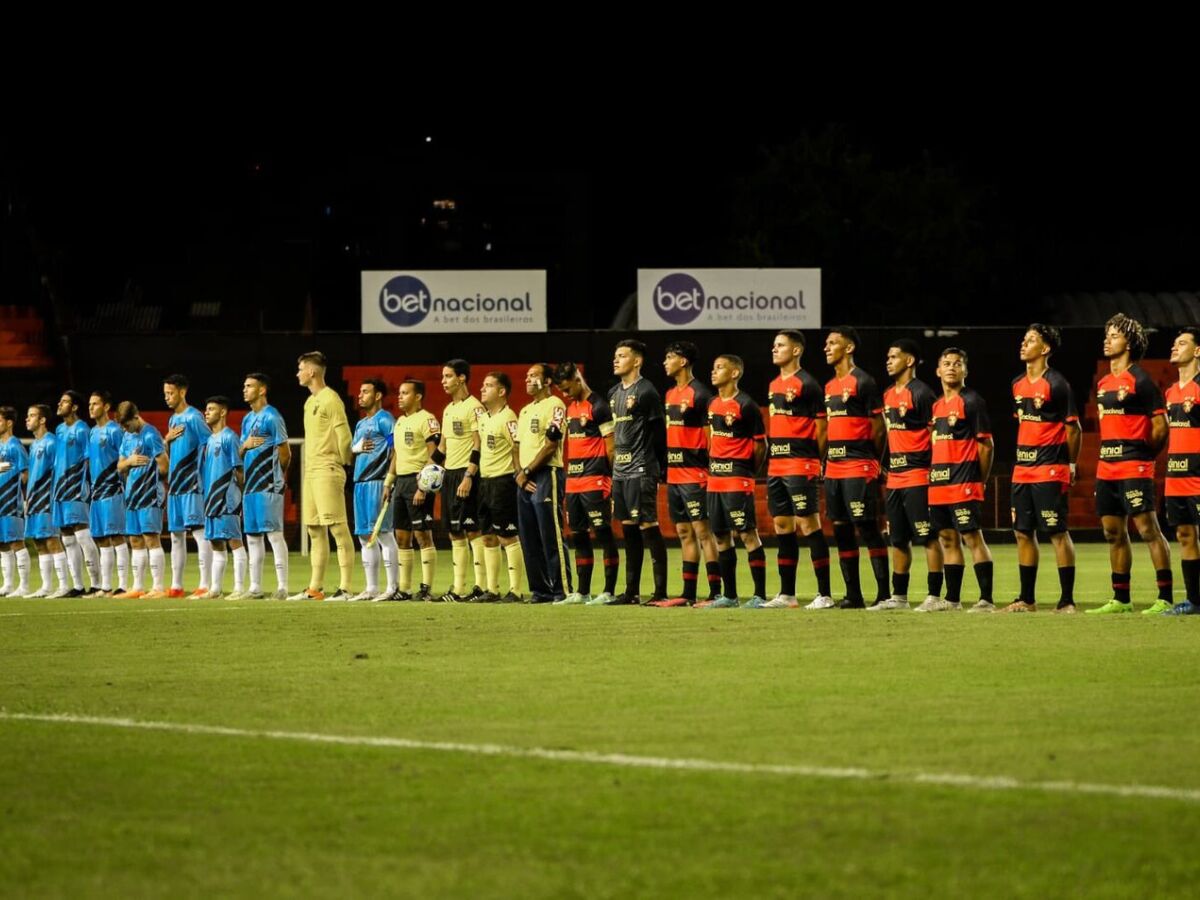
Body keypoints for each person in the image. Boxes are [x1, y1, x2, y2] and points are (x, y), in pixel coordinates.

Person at [1090, 313, 1172, 615]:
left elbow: (1161, 426)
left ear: (1129, 342)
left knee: (1148, 529)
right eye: (1107, 334)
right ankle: (1120, 598)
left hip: (1134, 465)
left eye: (1114, 335)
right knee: (1113, 532)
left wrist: (1145, 454)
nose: (1107, 339)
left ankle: (1164, 596)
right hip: (1106, 466)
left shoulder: (1141, 380)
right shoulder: (1103, 383)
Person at [1003, 324, 1081, 613]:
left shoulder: (1057, 384)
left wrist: (1070, 464)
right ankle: (1027, 599)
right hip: (1022, 469)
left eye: (1031, 340)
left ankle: (1067, 601)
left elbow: (1074, 428)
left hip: (1050, 468)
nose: (1024, 344)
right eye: (1024, 339)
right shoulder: (1016, 384)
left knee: (1057, 532)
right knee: (1023, 533)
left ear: (1045, 349)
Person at [918, 348, 995, 613]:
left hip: (964, 483)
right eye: (946, 363)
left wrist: (979, 479)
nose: (952, 367)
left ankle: (986, 600)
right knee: (948, 540)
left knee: (973, 538)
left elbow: (986, 445)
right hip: (939, 485)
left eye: (958, 364)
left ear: (965, 371)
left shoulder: (972, 401)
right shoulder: (937, 406)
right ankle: (952, 600)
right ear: (938, 371)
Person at [819, 326, 888, 609]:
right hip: (834, 469)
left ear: (848, 348)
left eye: (833, 343)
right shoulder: (829, 386)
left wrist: (873, 461)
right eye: (826, 343)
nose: (826, 347)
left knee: (867, 528)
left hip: (859, 466)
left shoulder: (864, 381)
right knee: (841, 529)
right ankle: (853, 596)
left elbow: (879, 429)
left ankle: (884, 595)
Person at [764, 330, 831, 609]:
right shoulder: (773, 384)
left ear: (796, 351)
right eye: (774, 345)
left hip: (800, 463)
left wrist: (817, 461)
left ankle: (824, 594)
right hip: (776, 465)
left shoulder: (808, 384)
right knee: (782, 525)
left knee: (808, 524)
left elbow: (822, 428)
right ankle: (787, 594)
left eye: (780, 345)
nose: (774, 349)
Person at [874, 339, 942, 611]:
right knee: (898, 539)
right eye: (887, 356)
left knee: (928, 537)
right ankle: (899, 597)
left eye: (894, 356)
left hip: (918, 475)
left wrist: (934, 470)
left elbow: (935, 435)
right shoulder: (889, 393)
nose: (888, 361)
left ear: (910, 361)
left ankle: (935, 596)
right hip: (895, 477)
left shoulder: (923, 394)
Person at [701, 354, 767, 608]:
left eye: (720, 367)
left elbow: (761, 445)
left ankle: (759, 595)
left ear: (735, 373)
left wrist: (746, 471)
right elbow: (711, 439)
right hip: (714, 480)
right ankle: (729, 596)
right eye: (713, 367)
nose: (714, 372)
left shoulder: (746, 405)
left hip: (737, 479)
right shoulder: (712, 403)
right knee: (720, 537)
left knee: (747, 534)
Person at [290, 351, 354, 601]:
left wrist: (344, 463)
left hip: (328, 469)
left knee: (338, 528)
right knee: (314, 529)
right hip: (311, 471)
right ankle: (315, 588)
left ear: (312, 372)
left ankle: (346, 588)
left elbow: (345, 436)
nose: (298, 373)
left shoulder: (331, 399)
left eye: (300, 368)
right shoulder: (309, 402)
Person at [658, 342, 718, 607]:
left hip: (696, 474)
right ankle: (688, 593)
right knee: (683, 532)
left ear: (683, 362)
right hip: (674, 475)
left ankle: (716, 593)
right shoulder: (670, 394)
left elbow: (711, 437)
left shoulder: (701, 394)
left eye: (669, 357)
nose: (665, 362)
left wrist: (710, 467)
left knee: (704, 533)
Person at [608, 339, 667, 605]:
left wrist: (659, 468)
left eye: (621, 356)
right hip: (620, 470)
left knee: (647, 525)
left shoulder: (647, 392)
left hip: (642, 468)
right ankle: (631, 592)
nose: (616, 360)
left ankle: (660, 592)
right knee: (628, 528)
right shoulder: (613, 394)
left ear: (637, 361)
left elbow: (658, 433)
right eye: (615, 356)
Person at [554, 361, 619, 606]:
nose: (564, 392)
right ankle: (582, 592)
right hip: (574, 483)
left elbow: (611, 447)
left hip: (596, 481)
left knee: (603, 534)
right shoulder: (571, 409)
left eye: (566, 387)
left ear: (577, 378)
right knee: (578, 536)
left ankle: (609, 591)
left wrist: (610, 481)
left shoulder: (599, 407)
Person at [515, 363, 572, 603]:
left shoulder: (556, 405)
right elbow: (516, 446)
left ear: (548, 381)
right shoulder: (525, 410)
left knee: (551, 534)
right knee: (529, 537)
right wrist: (520, 474)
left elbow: (551, 444)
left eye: (534, 376)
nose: (528, 379)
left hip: (546, 474)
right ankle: (540, 590)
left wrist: (527, 470)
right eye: (527, 376)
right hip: (524, 479)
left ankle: (561, 590)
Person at [383, 379, 440, 602]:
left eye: (405, 393)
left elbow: (434, 454)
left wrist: (423, 486)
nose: (400, 396)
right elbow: (396, 454)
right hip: (401, 483)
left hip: (418, 481)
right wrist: (389, 482)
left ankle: (426, 589)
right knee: (402, 536)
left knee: (422, 535)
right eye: (399, 392)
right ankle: (404, 589)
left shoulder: (427, 420)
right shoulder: (398, 423)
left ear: (418, 397)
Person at [436, 360, 486, 601]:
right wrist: (427, 470)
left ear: (462, 378)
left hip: (466, 474)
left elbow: (478, 444)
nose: (443, 381)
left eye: (448, 376)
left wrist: (469, 476)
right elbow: (443, 447)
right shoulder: (448, 409)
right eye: (443, 377)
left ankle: (480, 587)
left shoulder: (474, 407)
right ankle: (458, 589)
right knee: (454, 533)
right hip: (449, 474)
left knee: (472, 530)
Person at [240, 373, 292, 600]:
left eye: (249, 386)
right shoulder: (246, 419)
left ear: (262, 390)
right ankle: (255, 587)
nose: (245, 389)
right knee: (252, 537)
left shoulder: (273, 417)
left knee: (274, 535)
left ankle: (282, 586)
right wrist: (244, 446)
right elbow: (242, 450)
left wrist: (277, 477)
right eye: (244, 386)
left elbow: (285, 452)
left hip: (268, 485)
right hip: (250, 486)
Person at [476, 371, 525, 602]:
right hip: (485, 482)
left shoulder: (509, 418)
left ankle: (516, 590)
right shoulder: (484, 418)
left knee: (507, 536)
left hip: (503, 481)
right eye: (483, 385)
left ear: (502, 391)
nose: (483, 389)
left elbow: (518, 446)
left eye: (489, 386)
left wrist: (518, 474)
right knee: (488, 536)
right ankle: (492, 589)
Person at [163, 374, 213, 597]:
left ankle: (205, 583)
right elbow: (170, 453)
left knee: (199, 533)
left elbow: (210, 443)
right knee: (176, 535)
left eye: (170, 393)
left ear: (182, 392)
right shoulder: (173, 420)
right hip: (175, 487)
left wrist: (203, 476)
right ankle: (176, 585)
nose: (167, 397)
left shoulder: (194, 417)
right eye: (165, 393)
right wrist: (166, 440)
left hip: (192, 484)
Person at [349, 378, 397, 601]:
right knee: (364, 536)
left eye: (365, 392)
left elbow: (396, 448)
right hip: (360, 483)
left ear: (378, 396)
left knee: (384, 533)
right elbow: (352, 451)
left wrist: (390, 478)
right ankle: (371, 587)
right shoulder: (360, 424)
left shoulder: (385, 420)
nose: (360, 395)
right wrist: (355, 448)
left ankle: (392, 587)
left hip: (378, 482)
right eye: (360, 391)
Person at [116, 401, 169, 598]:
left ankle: (158, 587)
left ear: (136, 417)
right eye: (122, 426)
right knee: (135, 540)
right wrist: (130, 462)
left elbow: (164, 466)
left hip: (149, 494)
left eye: (127, 424)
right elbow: (120, 465)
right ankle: (137, 587)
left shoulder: (151, 434)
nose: (124, 428)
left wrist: (149, 474)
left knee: (150, 539)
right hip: (132, 495)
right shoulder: (127, 436)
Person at [1164, 326, 1200, 616]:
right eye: (1174, 343)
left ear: (1197, 351)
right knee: (1184, 535)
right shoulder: (1171, 392)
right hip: (1176, 476)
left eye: (1183, 343)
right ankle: (1194, 601)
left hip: (1198, 476)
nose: (1175, 347)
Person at [84, 391, 129, 597]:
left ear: (106, 407)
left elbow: (125, 460)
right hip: (96, 493)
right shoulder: (92, 432)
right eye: (90, 404)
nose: (91, 407)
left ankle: (123, 585)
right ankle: (106, 586)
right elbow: (88, 461)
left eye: (95, 404)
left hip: (112, 490)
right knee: (101, 539)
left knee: (117, 536)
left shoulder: (115, 431)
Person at [200, 396, 246, 598]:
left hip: (227, 499)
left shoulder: (230, 437)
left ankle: (239, 587)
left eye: (211, 409)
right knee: (216, 543)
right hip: (211, 499)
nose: (207, 412)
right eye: (206, 409)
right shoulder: (210, 440)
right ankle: (216, 588)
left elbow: (239, 469)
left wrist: (239, 496)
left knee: (234, 541)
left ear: (223, 412)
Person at [53, 389, 97, 594]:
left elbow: (89, 459)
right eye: (60, 401)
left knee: (82, 535)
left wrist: (87, 486)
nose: (60, 404)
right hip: (60, 489)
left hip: (76, 488)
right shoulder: (59, 430)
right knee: (67, 538)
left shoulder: (82, 430)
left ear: (75, 407)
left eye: (64, 402)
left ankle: (96, 583)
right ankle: (78, 586)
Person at [0, 406, 31, 598]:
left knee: (16, 542)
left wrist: (14, 482)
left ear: (9, 422)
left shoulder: (15, 445)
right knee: (2, 544)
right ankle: (8, 584)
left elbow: (26, 474)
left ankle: (25, 585)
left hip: (12, 501)